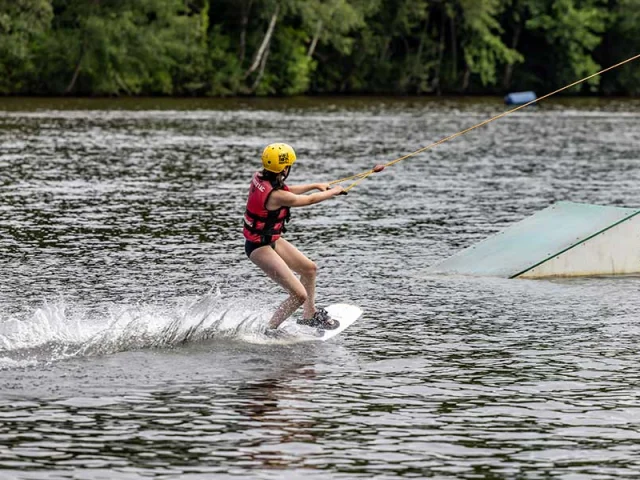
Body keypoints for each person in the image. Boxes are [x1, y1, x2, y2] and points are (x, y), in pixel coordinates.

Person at [243, 143, 345, 337]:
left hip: (270, 239)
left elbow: (289, 192)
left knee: (309, 269)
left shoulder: (261, 177)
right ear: (284, 168)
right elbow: (307, 201)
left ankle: (310, 315)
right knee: (299, 294)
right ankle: (268, 331)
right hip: (259, 246)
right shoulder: (277, 195)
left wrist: (315, 185)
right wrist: (333, 192)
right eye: (289, 164)